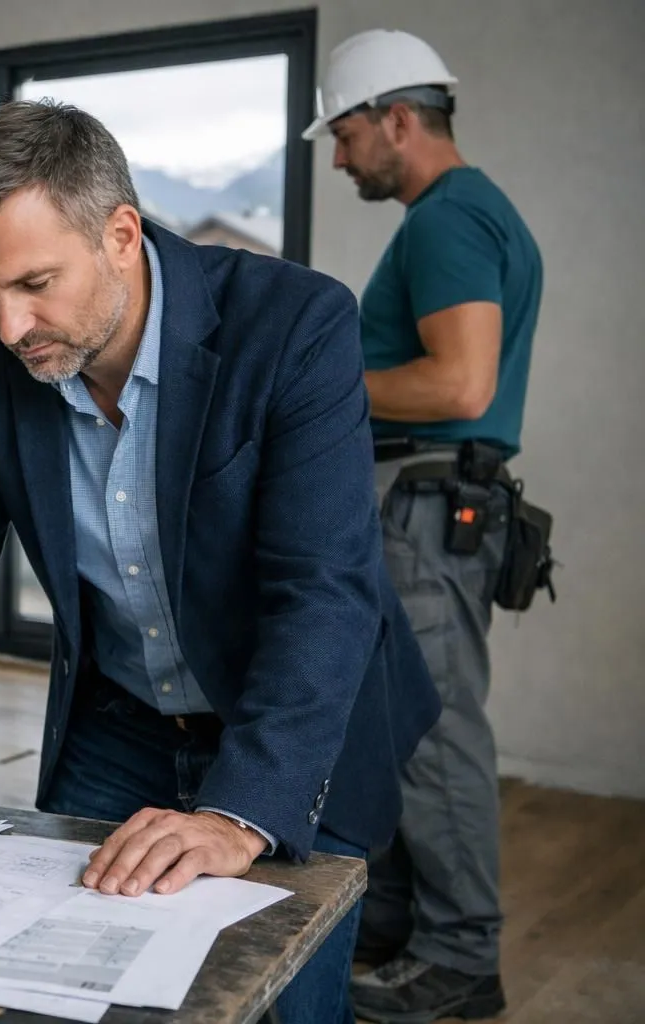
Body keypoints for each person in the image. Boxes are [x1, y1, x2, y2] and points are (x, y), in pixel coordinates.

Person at [0, 99, 440, 1024]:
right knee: (62, 993)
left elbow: (323, 592)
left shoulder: (293, 323)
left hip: (289, 733)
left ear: (119, 233)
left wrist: (238, 814)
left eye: (33, 282)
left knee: (283, 1006)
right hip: (118, 726)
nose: (9, 325)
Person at [305, 29, 544, 1023]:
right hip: (430, 504)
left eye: (348, 132)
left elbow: (460, 381)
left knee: (434, 730)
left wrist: (319, 389)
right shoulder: (462, 215)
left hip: (425, 508)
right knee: (403, 722)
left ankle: (457, 957)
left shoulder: (450, 220)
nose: (340, 155)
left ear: (399, 119)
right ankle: (405, 930)